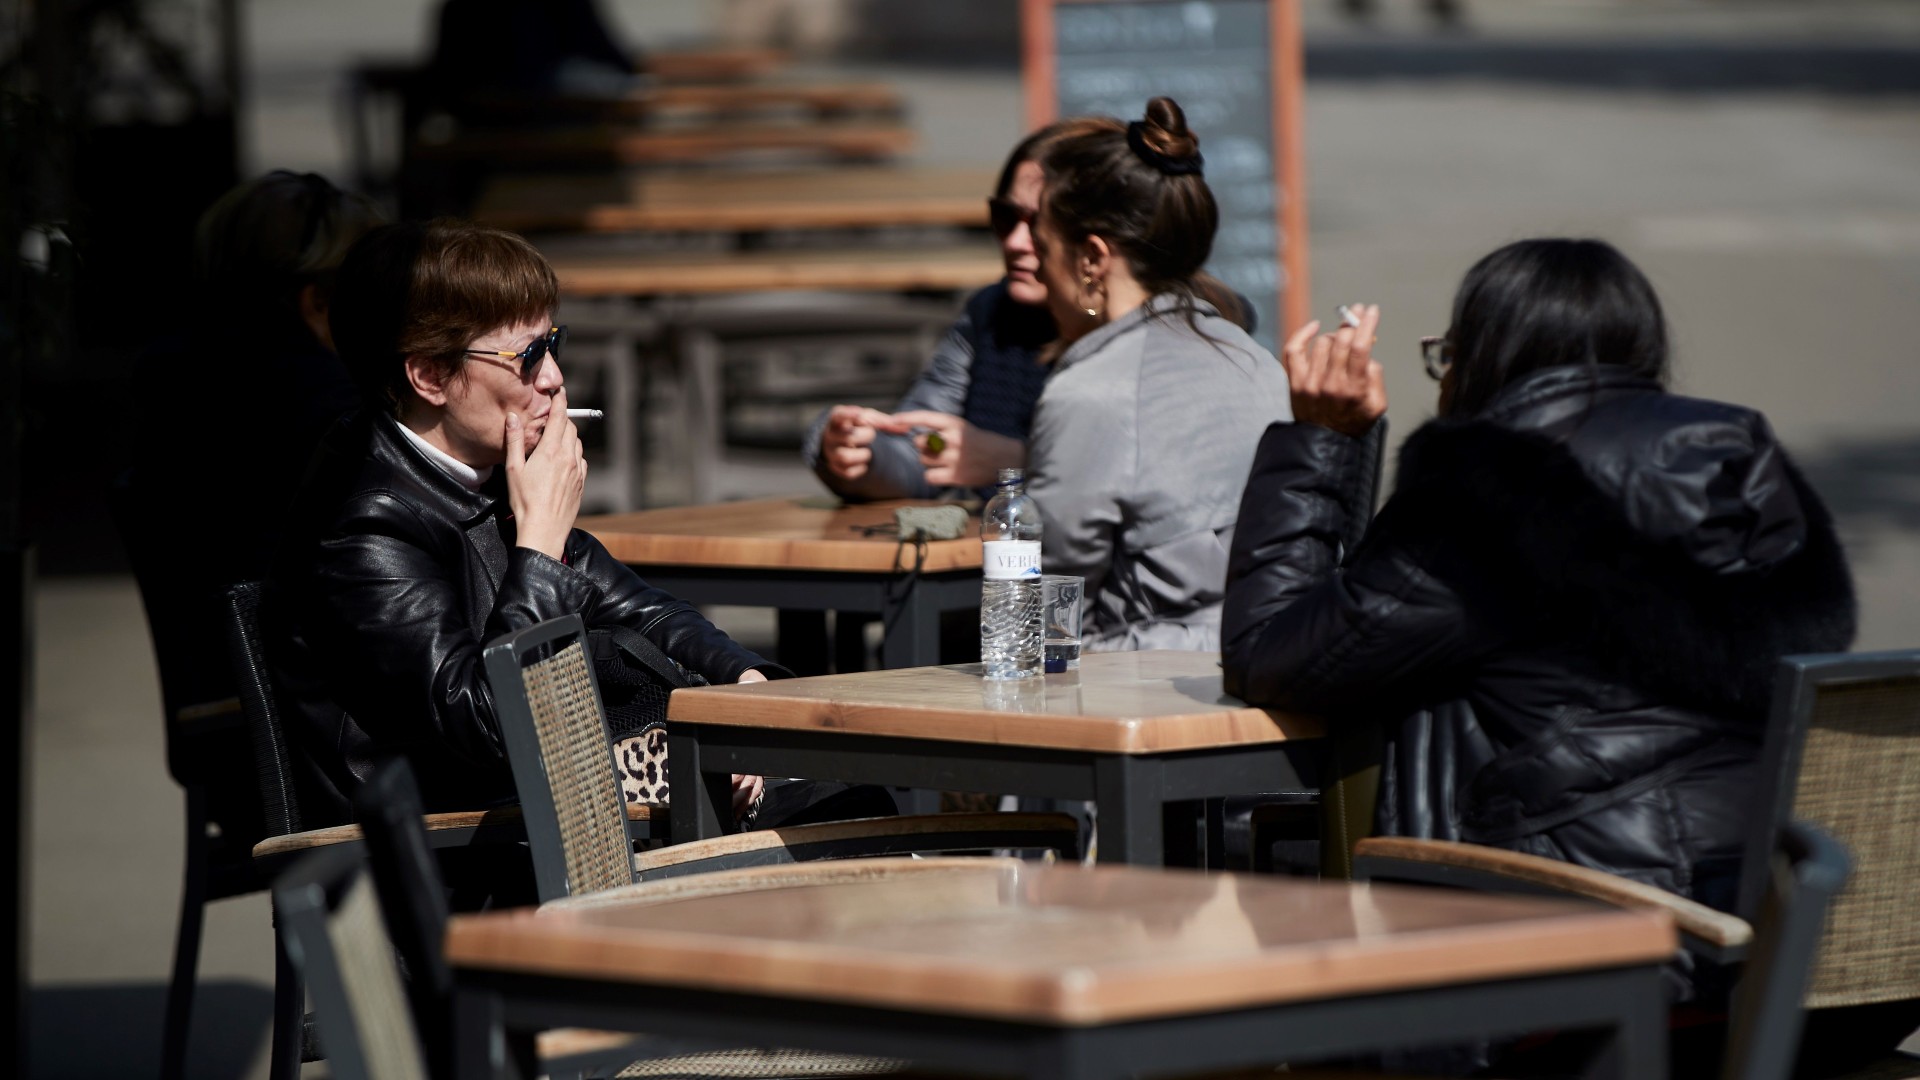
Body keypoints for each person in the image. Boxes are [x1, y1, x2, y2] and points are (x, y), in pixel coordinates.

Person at [1221, 239, 1856, 1005]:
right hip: (1780, 947)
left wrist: (1321, 438)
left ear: (1484, 356)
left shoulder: (1483, 498)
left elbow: (1270, 653)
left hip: (1583, 960)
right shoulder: (1742, 469)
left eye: (1448, 354)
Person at [270, 219, 890, 832]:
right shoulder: (363, 526)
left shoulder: (483, 471)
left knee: (847, 796)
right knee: (844, 812)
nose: (553, 377)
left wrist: (742, 681)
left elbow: (642, 610)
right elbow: (490, 725)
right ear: (430, 376)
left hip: (551, 810)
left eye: (552, 343)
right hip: (463, 851)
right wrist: (540, 542)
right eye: (526, 356)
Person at [1018, 96, 1290, 651]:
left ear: (1092, 259)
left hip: (1144, 680)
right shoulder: (1254, 359)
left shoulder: (1092, 392)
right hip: (1273, 655)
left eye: (1043, 248)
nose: (1039, 271)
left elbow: (1048, 612)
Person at [122, 170, 384, 711]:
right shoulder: (330, 409)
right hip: (316, 707)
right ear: (318, 303)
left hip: (222, 687)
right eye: (381, 292)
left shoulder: (166, 377)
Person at [802, 121, 1088, 500]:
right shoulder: (991, 312)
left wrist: (1016, 463)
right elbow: (924, 451)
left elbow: (1142, 479)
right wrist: (857, 451)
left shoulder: (1140, 337)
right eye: (1006, 217)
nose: (1016, 242)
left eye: (1039, 225)